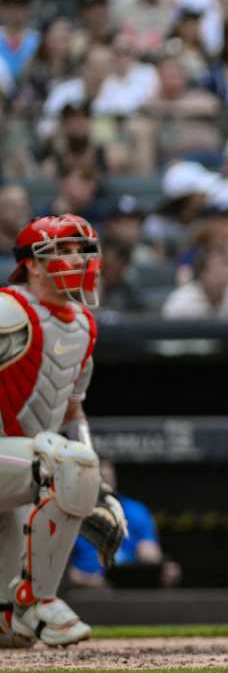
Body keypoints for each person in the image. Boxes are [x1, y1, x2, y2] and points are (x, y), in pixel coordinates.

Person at [0, 214, 127, 647]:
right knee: (65, 461)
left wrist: (94, 486)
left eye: (81, 251)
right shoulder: (9, 310)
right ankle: (38, 600)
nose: (76, 260)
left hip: (20, 469)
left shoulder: (83, 325)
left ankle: (22, 608)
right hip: (19, 457)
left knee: (11, 636)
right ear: (32, 265)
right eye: (62, 251)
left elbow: (73, 409)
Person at [68, 459, 180, 587]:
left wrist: (158, 565)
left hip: (129, 586)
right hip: (84, 589)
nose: (104, 483)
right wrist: (87, 580)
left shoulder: (136, 511)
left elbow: (151, 551)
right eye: (98, 477)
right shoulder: (71, 516)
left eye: (107, 478)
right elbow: (61, 570)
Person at [161, 243, 228, 319]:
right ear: (201, 274)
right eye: (217, 270)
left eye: (227, 268)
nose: (224, 275)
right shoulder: (180, 302)